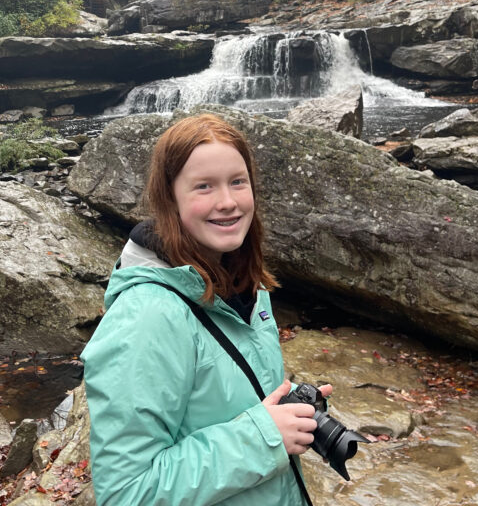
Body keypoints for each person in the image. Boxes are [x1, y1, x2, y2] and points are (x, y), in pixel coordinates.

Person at [81, 113, 331, 505]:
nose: (228, 202)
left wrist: (288, 413)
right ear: (169, 198)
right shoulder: (147, 317)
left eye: (237, 182)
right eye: (203, 186)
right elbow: (127, 493)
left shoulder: (244, 284)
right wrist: (264, 436)